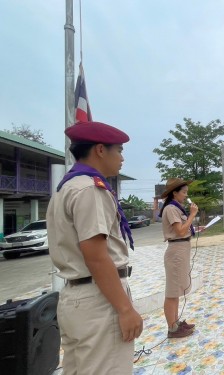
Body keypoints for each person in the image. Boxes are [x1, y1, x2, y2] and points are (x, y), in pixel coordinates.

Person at [47, 121, 143, 374]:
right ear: (100, 150)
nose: (122, 158)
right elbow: (97, 257)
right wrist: (125, 309)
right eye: (119, 151)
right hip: (99, 300)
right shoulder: (90, 189)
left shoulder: (66, 188)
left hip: (75, 297)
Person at [160, 178, 203, 338]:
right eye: (183, 192)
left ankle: (175, 322)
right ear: (174, 193)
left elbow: (183, 230)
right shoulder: (171, 209)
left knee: (176, 290)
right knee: (172, 291)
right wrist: (192, 215)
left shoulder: (176, 208)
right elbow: (179, 231)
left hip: (182, 248)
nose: (186, 196)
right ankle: (172, 328)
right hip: (176, 251)